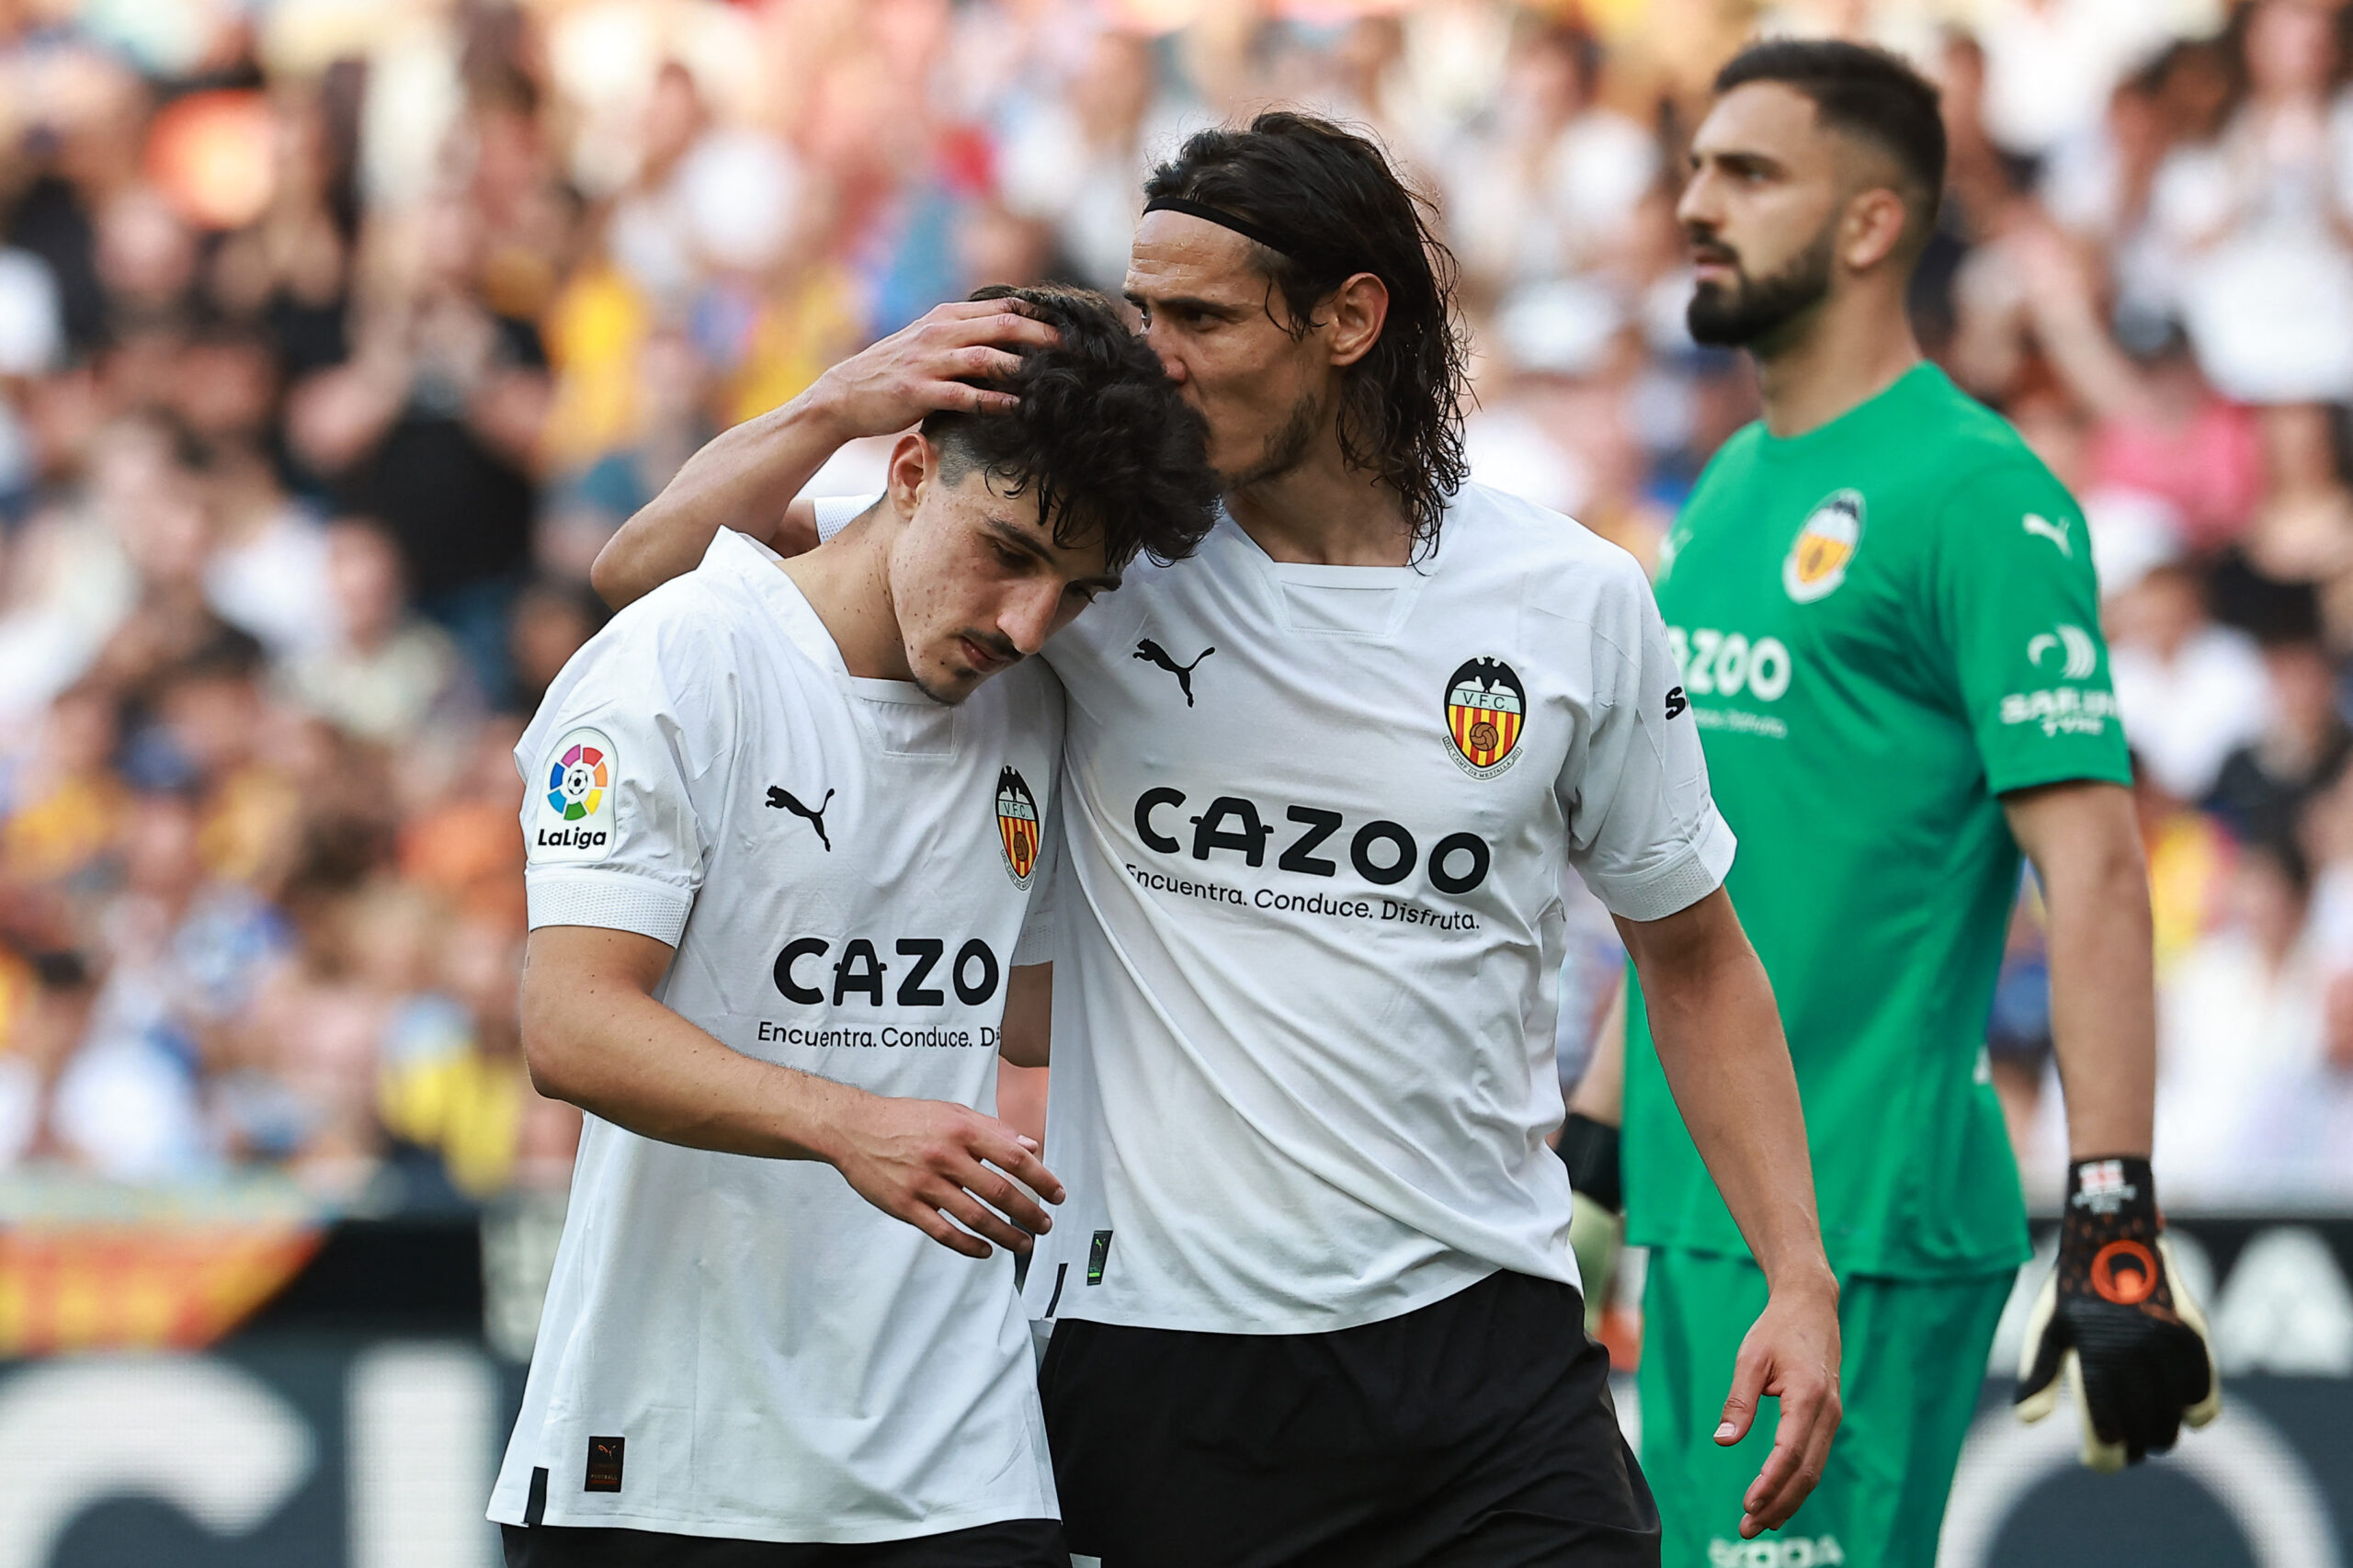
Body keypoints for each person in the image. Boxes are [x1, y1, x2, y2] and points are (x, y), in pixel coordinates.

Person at [597, 111, 1841, 1567]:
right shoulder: (1091, 559)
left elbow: (1694, 957)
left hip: (1485, 1348)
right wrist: (833, 406)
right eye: (1143, 312)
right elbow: (649, 578)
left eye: (1200, 317)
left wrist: (1798, 1270)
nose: (1158, 356)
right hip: (1162, 1359)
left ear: (1349, 320)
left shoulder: (1573, 598)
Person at [1563, 40, 2221, 1568]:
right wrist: (1595, 1155)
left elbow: (2096, 870)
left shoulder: (1979, 492)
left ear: (1870, 223)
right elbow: (1689, 873)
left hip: (1863, 1217)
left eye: (1749, 173)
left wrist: (2112, 1218)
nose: (1697, 203)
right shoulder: (1731, 487)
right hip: (1698, 1209)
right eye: (1697, 167)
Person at [489, 284, 1218, 1567]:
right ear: (910, 472)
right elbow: (571, 1026)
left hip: (963, 1466)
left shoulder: (1032, 704)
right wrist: (850, 1124)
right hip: (666, 1466)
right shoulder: (684, 659)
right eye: (1010, 553)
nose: (1028, 624)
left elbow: (1032, 1009)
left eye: (1077, 591)